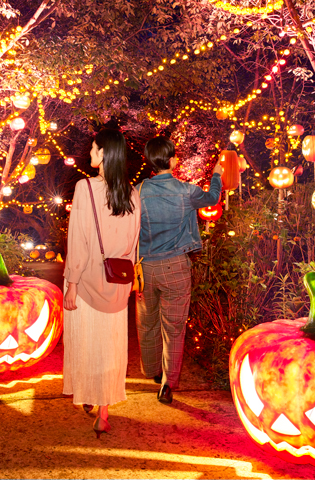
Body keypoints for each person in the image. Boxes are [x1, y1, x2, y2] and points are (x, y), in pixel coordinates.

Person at [62, 129, 141, 438]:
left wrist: (72, 281)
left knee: (87, 341)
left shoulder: (85, 188)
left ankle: (90, 395)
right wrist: (132, 275)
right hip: (118, 281)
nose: (91, 154)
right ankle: (104, 413)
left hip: (90, 281)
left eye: (94, 150)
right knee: (111, 346)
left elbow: (79, 241)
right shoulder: (132, 194)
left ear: (104, 154)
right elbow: (135, 241)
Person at [136, 136, 223, 404]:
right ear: (173, 160)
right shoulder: (187, 191)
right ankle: (168, 383)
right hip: (176, 266)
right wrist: (217, 174)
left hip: (145, 267)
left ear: (149, 162)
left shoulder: (137, 191)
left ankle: (152, 370)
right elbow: (212, 198)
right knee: (173, 328)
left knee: (147, 321)